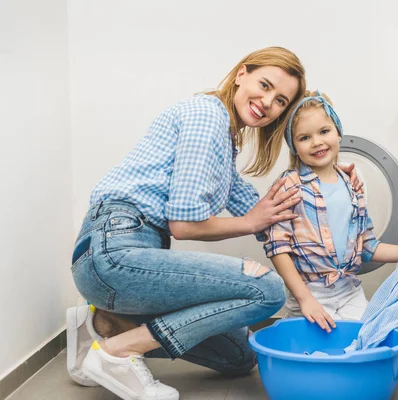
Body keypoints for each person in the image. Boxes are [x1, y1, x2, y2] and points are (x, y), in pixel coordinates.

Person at [66, 48, 362, 400]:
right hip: (113, 251)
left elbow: (269, 213)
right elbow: (184, 225)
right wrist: (252, 220)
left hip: (131, 261)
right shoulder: (207, 116)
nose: (267, 102)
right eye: (264, 85)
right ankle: (118, 353)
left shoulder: (224, 142)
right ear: (241, 74)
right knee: (267, 290)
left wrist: (328, 182)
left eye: (280, 100)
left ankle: (104, 325)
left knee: (240, 355)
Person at [263, 90, 398, 333]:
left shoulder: (352, 183)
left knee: (367, 340)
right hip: (310, 291)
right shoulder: (289, 186)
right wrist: (305, 299)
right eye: (304, 137)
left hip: (349, 291)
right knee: (316, 347)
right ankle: (290, 332)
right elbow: (278, 249)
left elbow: (368, 246)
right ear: (294, 147)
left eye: (324, 131)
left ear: (338, 133)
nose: (317, 142)